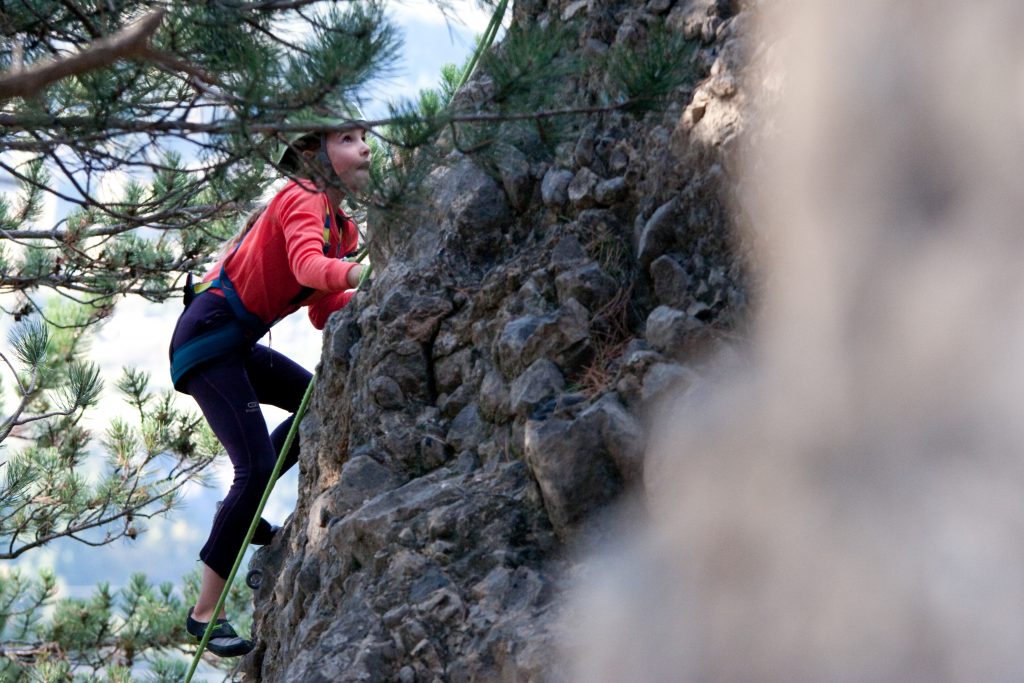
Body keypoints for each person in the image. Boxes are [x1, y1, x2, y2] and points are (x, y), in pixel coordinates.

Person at [169, 111, 371, 657]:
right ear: (313, 157)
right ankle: (203, 614)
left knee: (315, 408)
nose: (364, 149)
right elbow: (309, 268)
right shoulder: (302, 196)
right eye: (348, 140)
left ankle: (242, 507)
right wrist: (357, 274)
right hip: (208, 339)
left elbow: (321, 306)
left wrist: (364, 295)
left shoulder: (340, 224)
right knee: (254, 466)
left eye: (364, 138)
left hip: (230, 341)